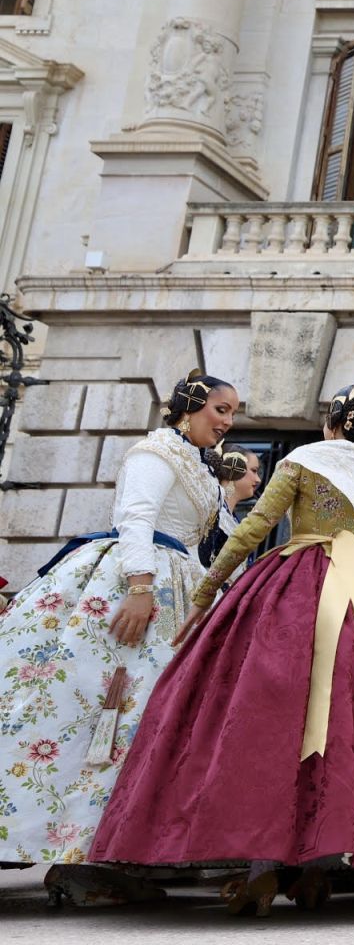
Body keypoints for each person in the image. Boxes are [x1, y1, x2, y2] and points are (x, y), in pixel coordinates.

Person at [92, 379, 354, 915]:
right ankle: (320, 868)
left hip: (295, 593)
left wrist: (208, 591)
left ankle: (259, 866)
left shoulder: (305, 458)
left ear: (337, 419)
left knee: (268, 719)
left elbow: (256, 527)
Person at [0, 372, 237, 905]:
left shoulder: (198, 466)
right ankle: (80, 858)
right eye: (220, 410)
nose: (226, 422)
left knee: (141, 719)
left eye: (231, 414)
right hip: (137, 582)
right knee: (99, 711)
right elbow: (136, 516)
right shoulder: (154, 453)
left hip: (177, 582)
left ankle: (107, 851)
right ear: (189, 406)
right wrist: (138, 586)